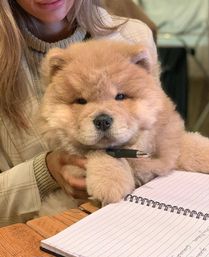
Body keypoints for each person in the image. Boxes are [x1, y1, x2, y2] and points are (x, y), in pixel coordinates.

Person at [0, 0, 157, 226]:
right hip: (39, 235)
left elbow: (156, 137)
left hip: (136, 224)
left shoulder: (132, 38)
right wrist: (44, 172)